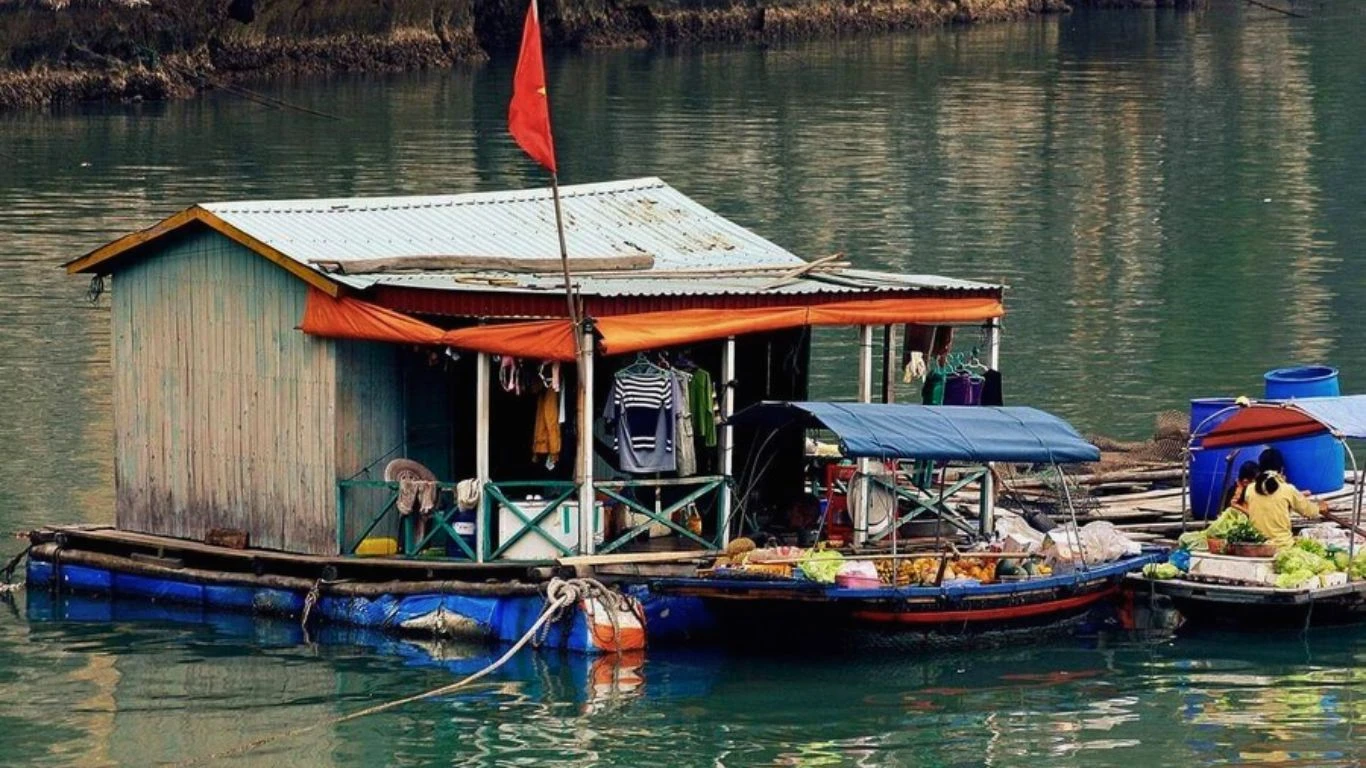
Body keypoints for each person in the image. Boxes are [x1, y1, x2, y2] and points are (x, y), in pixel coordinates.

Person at [1243, 448, 1327, 548]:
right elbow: (1309, 512)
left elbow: (1268, 498)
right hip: (1282, 546)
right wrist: (1320, 507)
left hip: (1257, 546)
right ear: (1281, 469)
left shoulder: (1250, 489)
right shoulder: (1288, 489)